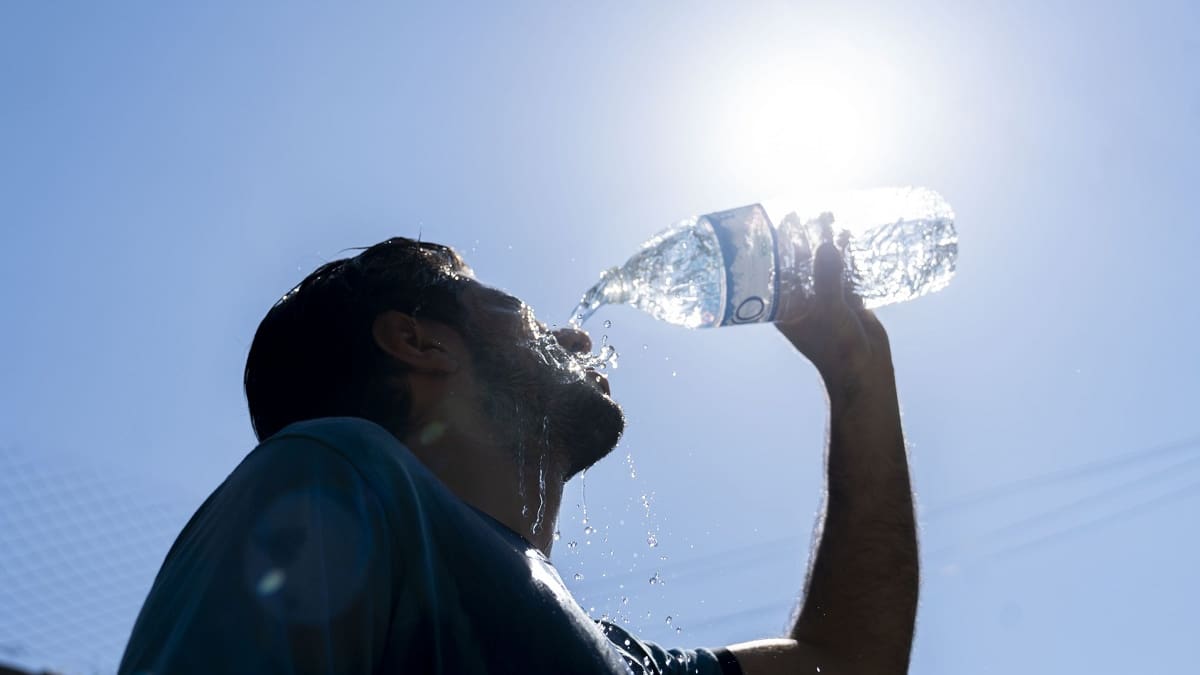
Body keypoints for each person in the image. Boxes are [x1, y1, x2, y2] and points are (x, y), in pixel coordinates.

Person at [119, 235, 918, 675]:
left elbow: (845, 664)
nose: (571, 335)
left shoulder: (620, 661)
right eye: (518, 311)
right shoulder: (335, 475)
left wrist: (859, 374)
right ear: (418, 339)